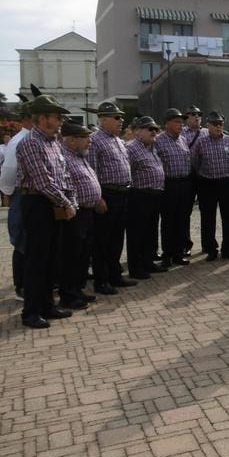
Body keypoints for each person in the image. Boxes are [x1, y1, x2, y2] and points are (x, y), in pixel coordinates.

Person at [15, 94, 77, 329]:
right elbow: (43, 182)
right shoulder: (31, 143)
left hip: (54, 204)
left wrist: (70, 199)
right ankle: (30, 311)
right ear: (42, 118)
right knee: (37, 260)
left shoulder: (54, 143)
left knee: (52, 259)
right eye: (57, 116)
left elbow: (64, 175)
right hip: (38, 204)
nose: (61, 121)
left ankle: (47, 306)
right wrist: (67, 203)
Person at [87, 101, 137, 295]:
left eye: (121, 117)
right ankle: (102, 280)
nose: (121, 121)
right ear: (103, 119)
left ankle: (115, 275)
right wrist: (98, 197)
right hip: (107, 194)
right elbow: (92, 171)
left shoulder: (118, 140)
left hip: (123, 193)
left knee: (117, 238)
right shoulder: (95, 140)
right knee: (102, 240)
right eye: (116, 117)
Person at [58, 120, 104, 309]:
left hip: (87, 212)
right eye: (85, 138)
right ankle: (68, 295)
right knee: (71, 255)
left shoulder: (80, 155)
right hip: (74, 214)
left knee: (83, 255)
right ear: (71, 140)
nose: (89, 142)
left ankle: (78, 290)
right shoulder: (64, 157)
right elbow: (64, 186)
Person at [191, 111, 229, 260]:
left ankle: (227, 249)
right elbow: (195, 161)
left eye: (220, 124)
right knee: (208, 217)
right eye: (215, 124)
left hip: (227, 182)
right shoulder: (201, 142)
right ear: (208, 126)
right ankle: (211, 249)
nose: (218, 127)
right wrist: (201, 176)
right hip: (208, 183)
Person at [126, 116, 166, 279]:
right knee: (137, 233)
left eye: (156, 129)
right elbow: (126, 173)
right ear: (138, 131)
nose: (154, 132)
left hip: (154, 195)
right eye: (150, 129)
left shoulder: (152, 147)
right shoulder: (131, 148)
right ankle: (136, 268)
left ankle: (148, 262)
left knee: (150, 232)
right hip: (139, 196)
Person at [0, 101, 33, 299]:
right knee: (22, 240)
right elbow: (9, 171)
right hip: (22, 194)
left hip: (29, 195)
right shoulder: (19, 141)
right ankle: (21, 285)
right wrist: (9, 193)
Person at [155, 108, 192, 267]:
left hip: (184, 183)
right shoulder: (158, 141)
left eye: (181, 122)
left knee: (182, 220)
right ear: (167, 123)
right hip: (168, 185)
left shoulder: (182, 139)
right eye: (177, 121)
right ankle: (167, 254)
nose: (181, 125)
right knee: (169, 221)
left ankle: (178, 253)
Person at [181, 105, 207, 256]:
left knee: (207, 211)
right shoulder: (182, 133)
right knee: (185, 212)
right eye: (193, 114)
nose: (196, 116)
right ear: (186, 118)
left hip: (203, 176)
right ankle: (185, 244)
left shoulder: (206, 132)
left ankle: (207, 244)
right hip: (188, 177)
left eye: (199, 114)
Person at [0, 132, 11, 206]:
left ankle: (10, 200)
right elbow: (2, 154)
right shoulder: (0, 146)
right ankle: (3, 201)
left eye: (8, 138)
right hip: (2, 167)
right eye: (5, 138)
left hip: (11, 167)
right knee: (2, 183)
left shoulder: (13, 146)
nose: (7, 139)